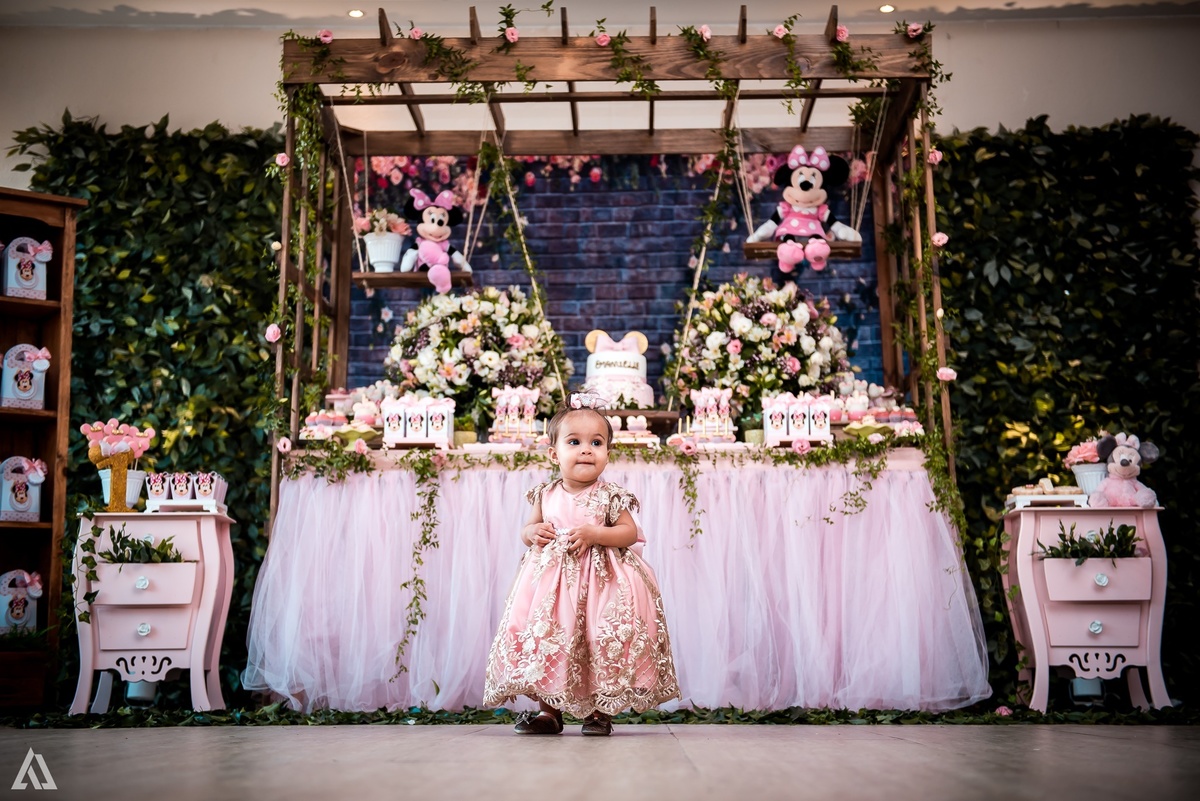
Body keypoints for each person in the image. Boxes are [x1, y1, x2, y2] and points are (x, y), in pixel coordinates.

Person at [483, 392, 680, 736]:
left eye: (597, 442)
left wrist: (596, 533)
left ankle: (599, 713)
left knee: (598, 638)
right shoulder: (545, 493)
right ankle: (549, 711)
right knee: (551, 639)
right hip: (551, 588)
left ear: (608, 453)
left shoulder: (609, 495)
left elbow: (629, 533)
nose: (586, 449)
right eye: (574, 441)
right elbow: (526, 531)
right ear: (553, 453)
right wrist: (533, 532)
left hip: (602, 585)